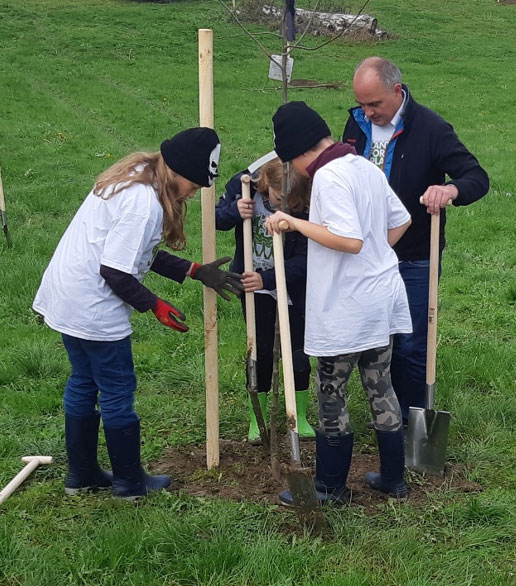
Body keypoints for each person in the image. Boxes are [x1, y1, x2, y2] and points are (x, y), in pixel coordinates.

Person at [32, 128, 242, 500]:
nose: (195, 192)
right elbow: (115, 270)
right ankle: (130, 483)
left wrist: (192, 270)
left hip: (67, 296)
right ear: (178, 171)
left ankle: (81, 475)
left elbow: (136, 252)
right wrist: (155, 305)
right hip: (93, 305)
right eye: (194, 184)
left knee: (83, 381)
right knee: (116, 390)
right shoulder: (143, 203)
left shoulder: (136, 176)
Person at [270, 101, 412, 505]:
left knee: (332, 391)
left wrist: (292, 222)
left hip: (347, 308)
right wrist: (374, 262)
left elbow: (348, 241)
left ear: (296, 153)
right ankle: (393, 480)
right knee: (380, 385)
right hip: (381, 299)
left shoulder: (330, 177)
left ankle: (330, 487)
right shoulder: (365, 166)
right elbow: (401, 221)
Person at [341, 57, 488, 424]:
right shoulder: (356, 125)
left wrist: (450, 188)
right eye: (361, 103)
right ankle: (385, 418)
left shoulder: (431, 128)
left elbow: (476, 176)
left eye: (374, 103)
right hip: (363, 254)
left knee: (410, 343)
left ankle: (411, 422)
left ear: (397, 90)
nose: (368, 111)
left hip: (415, 257)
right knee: (375, 341)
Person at [216, 156, 315, 440]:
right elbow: (215, 218)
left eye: (292, 201)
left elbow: (307, 259)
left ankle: (300, 416)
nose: (285, 205)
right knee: (258, 351)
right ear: (265, 185)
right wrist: (235, 212)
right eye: (280, 198)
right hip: (253, 285)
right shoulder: (246, 190)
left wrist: (269, 278)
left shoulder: (305, 206)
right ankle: (256, 419)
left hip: (292, 287)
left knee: (297, 351)